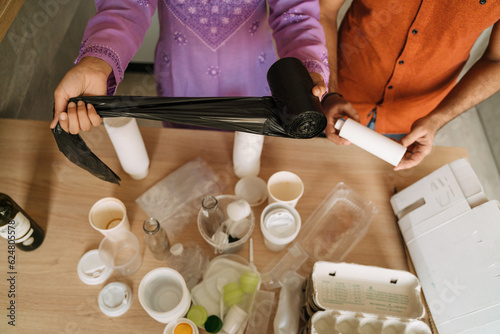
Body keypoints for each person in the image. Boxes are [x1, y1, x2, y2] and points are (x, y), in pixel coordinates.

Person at [50, 0, 330, 134]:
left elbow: (294, 15)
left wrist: (307, 75)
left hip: (254, 77)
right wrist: (96, 63)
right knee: (185, 153)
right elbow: (127, 5)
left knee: (250, 156)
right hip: (182, 78)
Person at [320, 0, 500, 170]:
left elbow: (497, 61)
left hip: (414, 123)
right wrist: (330, 90)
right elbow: (324, 10)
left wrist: (437, 119)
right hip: (335, 96)